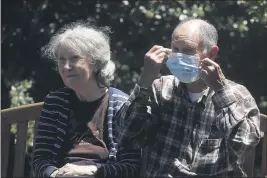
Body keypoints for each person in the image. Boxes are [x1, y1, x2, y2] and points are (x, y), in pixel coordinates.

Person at [116, 18, 261, 177]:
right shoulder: (161, 88)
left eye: (188, 51)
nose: (179, 56)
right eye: (175, 49)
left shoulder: (237, 95)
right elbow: (126, 135)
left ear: (211, 53)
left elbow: (244, 144)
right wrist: (144, 81)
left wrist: (220, 91)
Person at [32, 21, 141, 178]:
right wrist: (55, 175)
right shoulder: (55, 102)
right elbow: (40, 160)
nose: (66, 66)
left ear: (96, 64)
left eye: (74, 58)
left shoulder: (121, 105)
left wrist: (90, 171)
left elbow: (131, 166)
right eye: (62, 60)